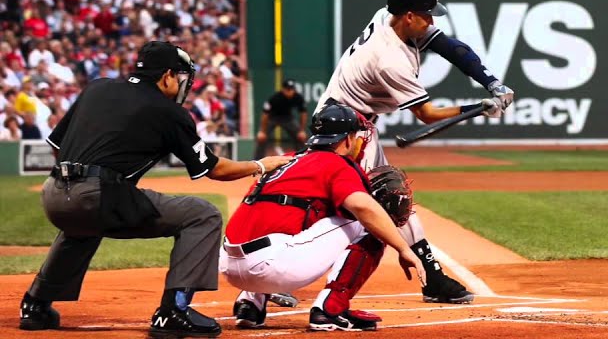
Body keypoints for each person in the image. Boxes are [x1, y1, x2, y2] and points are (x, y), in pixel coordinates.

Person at [19, 41, 290, 335]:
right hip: (97, 195)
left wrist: (81, 185)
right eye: (181, 78)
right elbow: (215, 169)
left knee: (82, 226)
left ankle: (35, 305)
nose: (183, 85)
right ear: (167, 76)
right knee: (203, 215)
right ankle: (174, 310)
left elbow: (58, 147)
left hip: (54, 193)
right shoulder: (168, 111)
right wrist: (261, 164)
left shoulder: (97, 88)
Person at [314, 0, 514, 305]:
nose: (432, 21)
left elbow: (452, 48)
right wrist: (478, 107)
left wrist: (490, 82)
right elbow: (427, 114)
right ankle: (279, 275)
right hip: (347, 130)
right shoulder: (389, 59)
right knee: (370, 204)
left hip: (350, 123)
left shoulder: (386, 17)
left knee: (386, 200)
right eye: (427, 15)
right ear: (408, 15)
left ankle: (432, 278)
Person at [221, 104, 426, 330]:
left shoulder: (290, 159)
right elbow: (364, 208)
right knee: (370, 221)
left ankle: (250, 304)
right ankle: (331, 309)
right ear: (347, 139)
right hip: (270, 267)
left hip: (229, 266)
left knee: (288, 215)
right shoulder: (337, 163)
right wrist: (403, 248)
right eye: (356, 135)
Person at [255, 79, 307, 156]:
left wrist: (302, 130)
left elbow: (303, 113)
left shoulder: (298, 97)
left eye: (292, 89)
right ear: (283, 89)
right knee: (261, 138)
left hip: (287, 118)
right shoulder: (275, 98)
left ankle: (301, 156)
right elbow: (265, 114)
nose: (290, 91)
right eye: (288, 89)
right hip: (273, 118)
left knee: (300, 136)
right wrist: (262, 131)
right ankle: (257, 160)